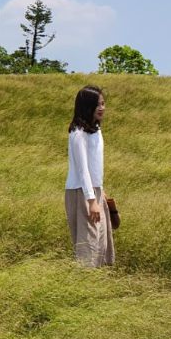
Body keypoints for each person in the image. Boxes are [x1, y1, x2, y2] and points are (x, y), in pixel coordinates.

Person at [64, 85, 114, 267]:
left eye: (103, 103)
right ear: (87, 107)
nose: (102, 108)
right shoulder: (78, 134)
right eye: (97, 105)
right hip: (81, 192)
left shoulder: (96, 130)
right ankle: (84, 284)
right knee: (89, 244)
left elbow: (94, 167)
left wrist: (101, 191)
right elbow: (82, 169)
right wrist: (92, 200)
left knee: (101, 241)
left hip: (94, 191)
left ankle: (96, 284)